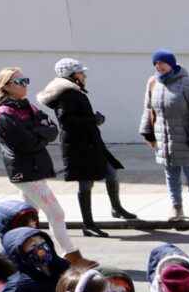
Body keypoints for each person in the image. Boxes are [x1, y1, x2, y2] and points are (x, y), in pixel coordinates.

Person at [0, 67, 83, 262]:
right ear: (6, 86)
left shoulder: (27, 106)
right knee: (57, 213)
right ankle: (70, 255)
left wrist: (37, 133)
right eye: (18, 81)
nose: (24, 84)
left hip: (35, 167)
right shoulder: (3, 113)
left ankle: (9, 256)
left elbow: (52, 129)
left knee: (27, 218)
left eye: (25, 79)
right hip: (26, 170)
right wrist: (39, 132)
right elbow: (25, 142)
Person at [37, 59, 133, 237]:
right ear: (72, 75)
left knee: (111, 173)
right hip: (80, 147)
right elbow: (66, 120)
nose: (85, 75)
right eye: (81, 72)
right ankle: (88, 224)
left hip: (91, 144)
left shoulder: (73, 92)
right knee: (86, 183)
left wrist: (95, 119)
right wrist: (93, 120)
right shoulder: (67, 94)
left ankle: (117, 208)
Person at [141, 53, 189, 224]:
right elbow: (148, 109)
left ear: (171, 63)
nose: (159, 66)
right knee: (171, 175)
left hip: (186, 139)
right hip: (165, 140)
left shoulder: (188, 83)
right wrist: (146, 131)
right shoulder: (153, 83)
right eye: (156, 63)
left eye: (162, 62)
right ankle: (176, 206)